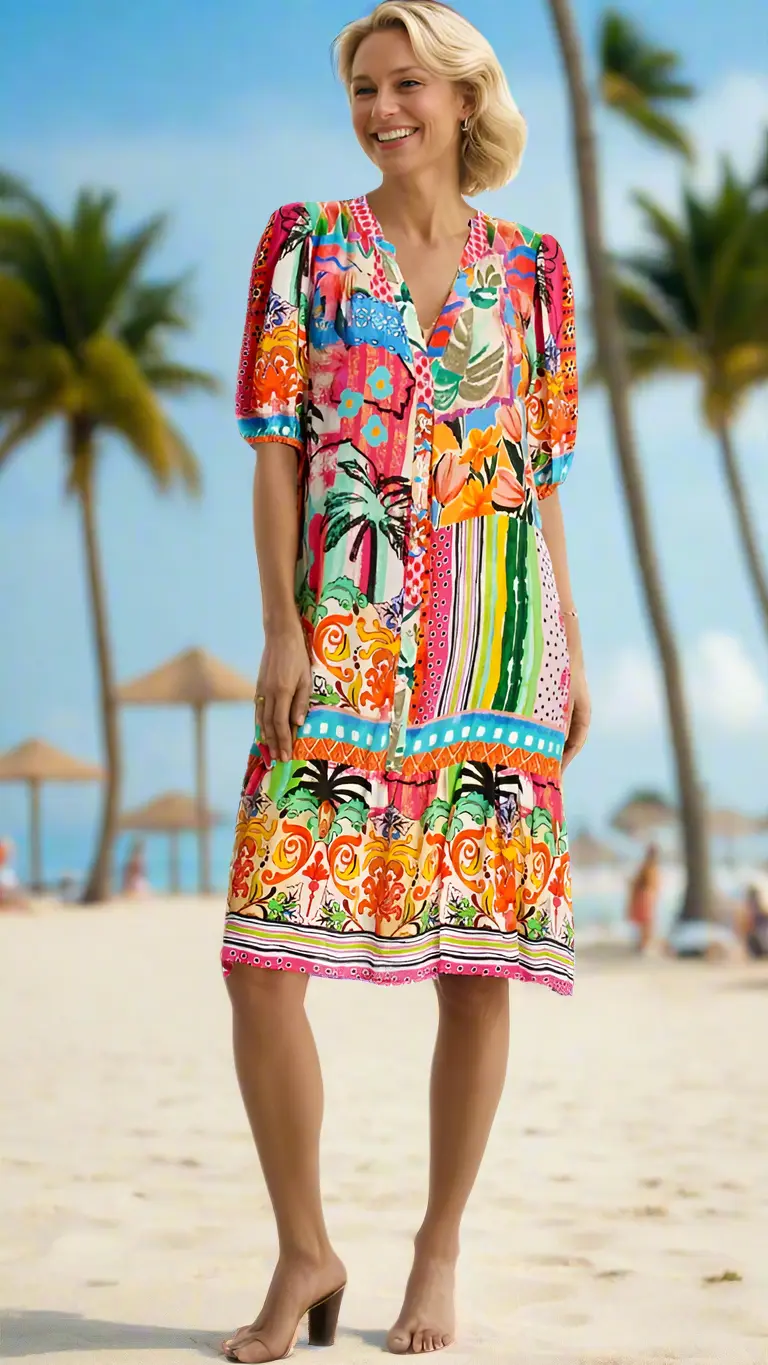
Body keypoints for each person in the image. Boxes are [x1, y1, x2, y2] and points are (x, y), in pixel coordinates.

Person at [220, 3, 590, 1359]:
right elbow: (274, 448)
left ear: (462, 95)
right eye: (364, 89)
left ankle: (437, 1251)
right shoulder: (308, 249)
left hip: (496, 641)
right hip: (343, 637)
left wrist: (569, 645)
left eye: (406, 85)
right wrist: (280, 624)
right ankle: (306, 1245)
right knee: (263, 957)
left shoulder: (536, 271)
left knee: (478, 965)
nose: (382, 109)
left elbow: (539, 478)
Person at [626, 842, 661, 953]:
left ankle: (644, 945)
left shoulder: (649, 867)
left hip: (645, 897)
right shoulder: (649, 867)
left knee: (646, 923)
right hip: (646, 897)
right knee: (645, 923)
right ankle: (643, 945)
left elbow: (641, 882)